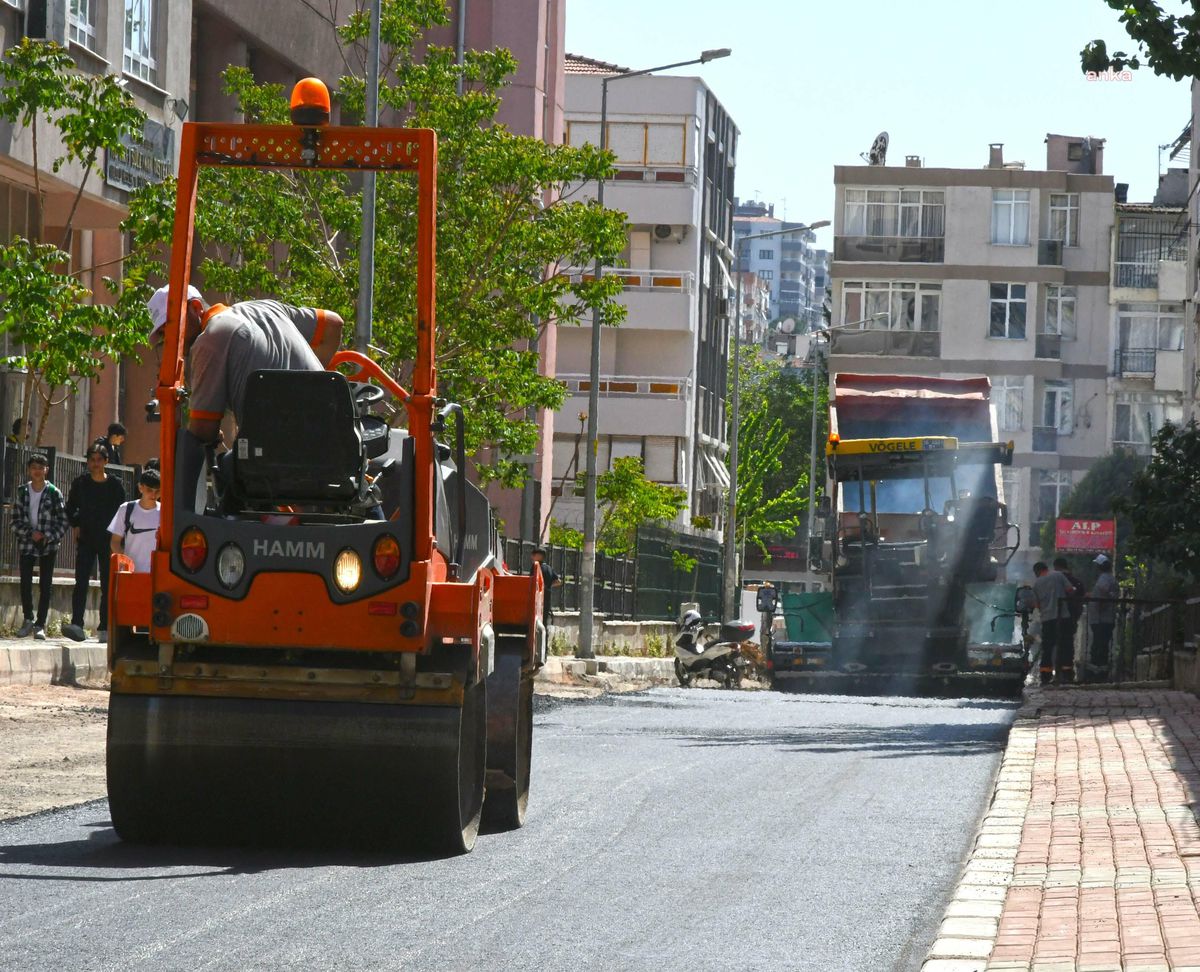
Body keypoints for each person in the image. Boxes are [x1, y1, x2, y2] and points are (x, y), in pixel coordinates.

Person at [147, 288, 344, 500]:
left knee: (226, 475)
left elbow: (203, 432)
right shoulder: (265, 307)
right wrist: (312, 383)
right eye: (162, 335)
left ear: (196, 308)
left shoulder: (210, 340)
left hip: (278, 459)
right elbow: (333, 324)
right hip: (336, 441)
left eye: (170, 327)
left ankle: (270, 523)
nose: (169, 339)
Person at [63, 443, 126, 643]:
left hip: (108, 540)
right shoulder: (80, 483)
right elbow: (70, 507)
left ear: (106, 461)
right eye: (92, 460)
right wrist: (76, 524)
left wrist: (119, 537)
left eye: (99, 459)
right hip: (87, 538)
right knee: (81, 581)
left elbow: (122, 512)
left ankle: (105, 626)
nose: (95, 464)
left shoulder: (115, 485)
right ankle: (77, 624)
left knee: (108, 583)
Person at [11, 454, 68, 640]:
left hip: (48, 545)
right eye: (34, 467)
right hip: (27, 543)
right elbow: (15, 521)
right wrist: (30, 533)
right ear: (29, 470)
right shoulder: (22, 492)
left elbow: (63, 521)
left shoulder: (54, 492)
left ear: (46, 470)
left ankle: (40, 624)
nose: (37, 470)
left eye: (40, 467)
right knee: (25, 581)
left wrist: (48, 536)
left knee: (46, 584)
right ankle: (28, 618)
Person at [108, 468, 161, 575]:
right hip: (131, 574)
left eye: (158, 491)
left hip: (156, 574)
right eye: (149, 490)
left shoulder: (165, 513)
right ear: (140, 488)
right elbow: (114, 542)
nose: (154, 495)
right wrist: (125, 563)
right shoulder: (126, 509)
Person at [1032, 561, 1071, 685]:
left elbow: (1037, 605)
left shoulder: (1037, 583)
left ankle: (1045, 675)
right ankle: (1066, 674)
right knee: (1065, 645)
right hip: (1063, 617)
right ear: (1046, 568)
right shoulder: (1058, 575)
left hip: (1047, 619)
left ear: (1037, 572)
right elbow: (1070, 590)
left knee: (1047, 647)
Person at [1053, 556, 1086, 684]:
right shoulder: (1077, 582)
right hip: (1072, 618)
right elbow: (1080, 600)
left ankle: (1057, 673)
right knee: (1068, 645)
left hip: (1056, 617)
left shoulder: (1055, 581)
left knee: (1057, 645)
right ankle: (1067, 673)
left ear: (1056, 567)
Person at [1088, 554, 1119, 681]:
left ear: (1099, 567)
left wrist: (1099, 607)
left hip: (1101, 619)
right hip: (1106, 618)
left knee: (1098, 646)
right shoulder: (1110, 578)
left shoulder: (1104, 579)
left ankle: (1097, 675)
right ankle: (1100, 672)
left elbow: (1103, 593)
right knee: (1102, 645)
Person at [530, 546, 561, 628]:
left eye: (534, 555)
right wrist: (548, 586)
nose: (532, 557)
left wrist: (541, 586)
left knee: (535, 622)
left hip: (536, 599)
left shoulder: (536, 567)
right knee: (544, 622)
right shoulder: (549, 568)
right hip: (547, 598)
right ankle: (544, 639)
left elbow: (532, 581)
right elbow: (558, 582)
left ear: (539, 556)